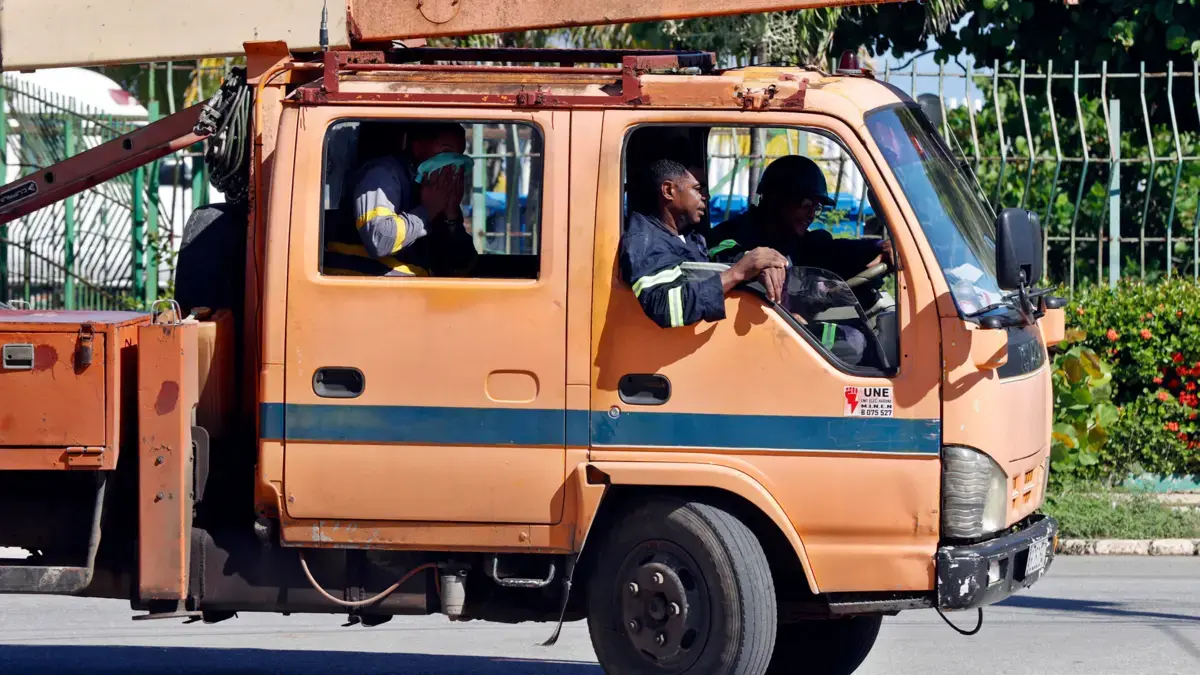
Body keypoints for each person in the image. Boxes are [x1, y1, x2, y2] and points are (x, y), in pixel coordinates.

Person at [619, 159, 788, 329]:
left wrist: (754, 263)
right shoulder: (644, 240)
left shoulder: (689, 235)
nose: (706, 197)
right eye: (698, 189)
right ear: (668, 190)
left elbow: (716, 255)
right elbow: (665, 307)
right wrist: (737, 273)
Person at [705, 155, 891, 306]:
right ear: (775, 199)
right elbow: (721, 254)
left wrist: (878, 246)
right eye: (806, 204)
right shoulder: (732, 234)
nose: (811, 214)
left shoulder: (793, 240)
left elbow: (835, 250)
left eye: (816, 207)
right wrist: (753, 264)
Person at [324, 122, 477, 277]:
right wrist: (426, 212)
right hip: (364, 294)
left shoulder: (434, 194)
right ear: (418, 146)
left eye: (459, 156)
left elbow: (462, 267)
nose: (453, 163)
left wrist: (452, 217)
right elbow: (379, 240)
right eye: (446, 151)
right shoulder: (383, 175)